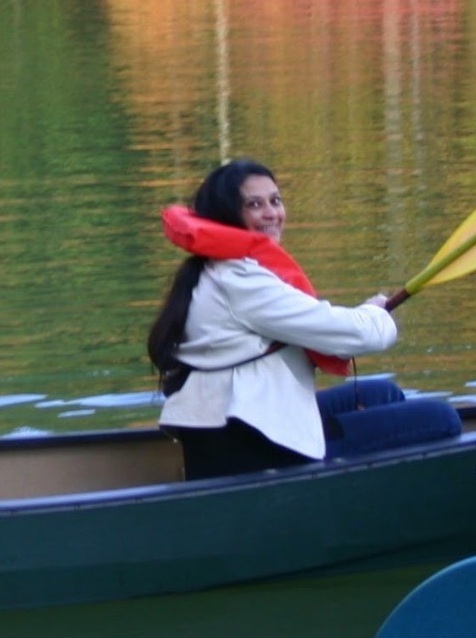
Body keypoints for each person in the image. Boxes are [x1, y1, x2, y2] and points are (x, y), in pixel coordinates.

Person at [148, 158, 398, 478]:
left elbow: (323, 323)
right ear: (227, 215)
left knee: (384, 394)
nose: (272, 213)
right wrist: (375, 315)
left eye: (275, 201)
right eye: (255, 204)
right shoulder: (240, 280)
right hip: (253, 447)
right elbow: (360, 335)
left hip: (230, 428)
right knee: (440, 420)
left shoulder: (216, 270)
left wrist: (369, 313)